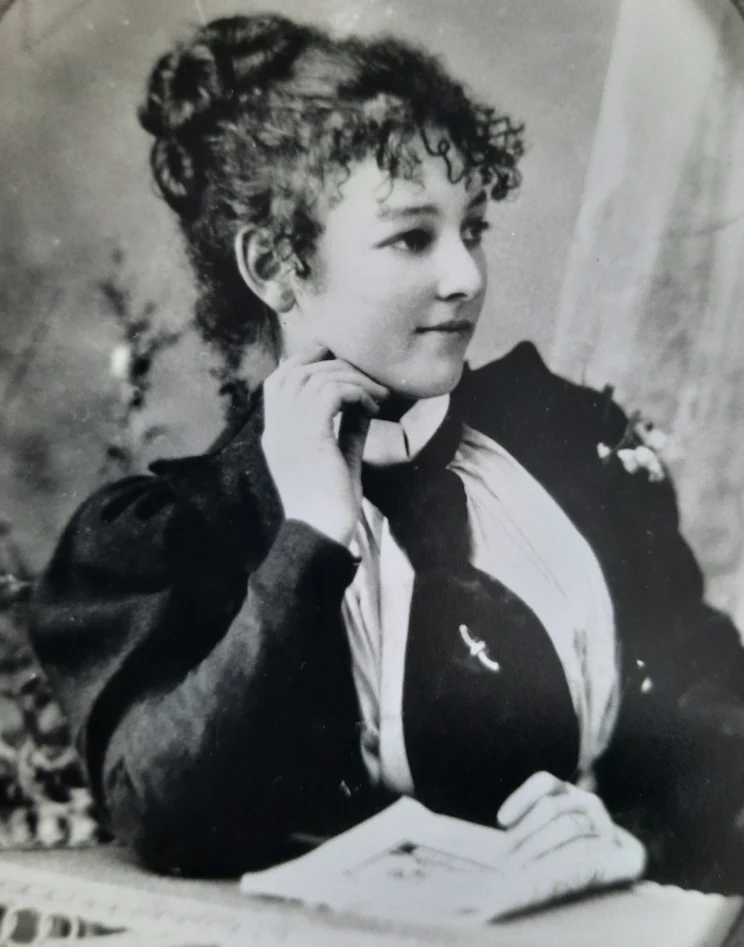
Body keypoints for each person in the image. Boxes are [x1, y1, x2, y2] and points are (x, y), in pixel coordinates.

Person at [28, 13, 744, 908]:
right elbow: (173, 817)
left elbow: (717, 730)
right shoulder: (175, 541)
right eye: (413, 237)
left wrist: (631, 837)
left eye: (472, 228)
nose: (467, 276)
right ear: (276, 266)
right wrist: (311, 538)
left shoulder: (571, 448)